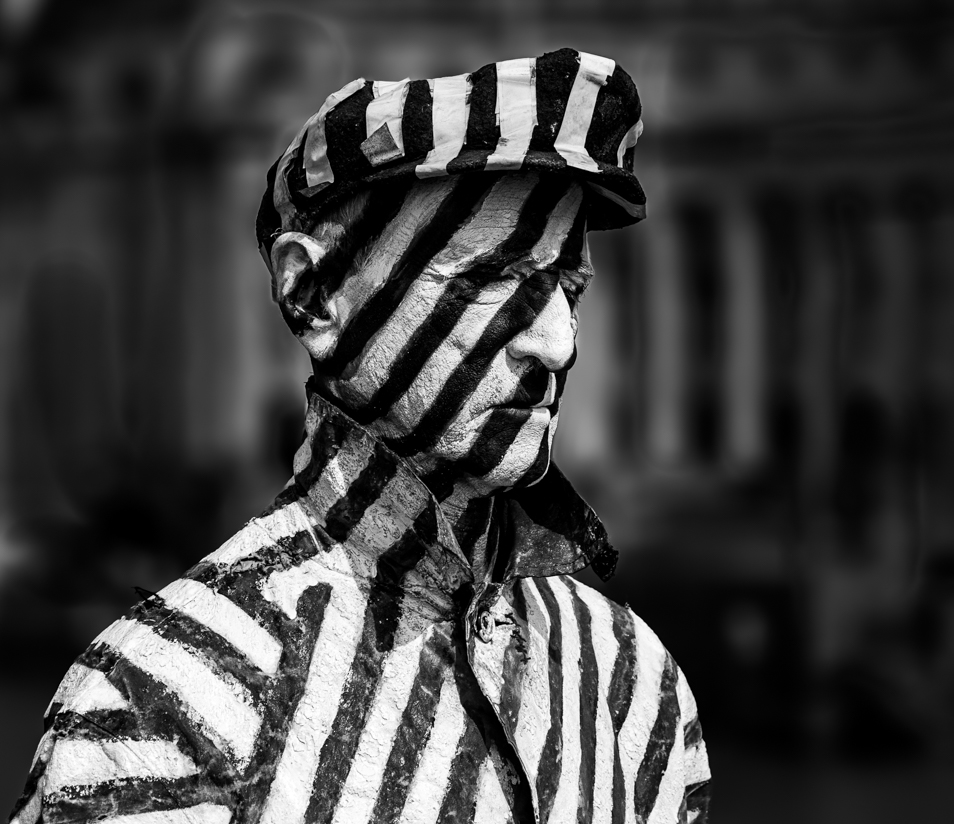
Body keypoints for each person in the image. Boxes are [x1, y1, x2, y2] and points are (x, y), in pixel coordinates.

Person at [9, 48, 710, 824]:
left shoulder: (632, 687)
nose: (556, 342)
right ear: (311, 293)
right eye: (486, 279)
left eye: (567, 287)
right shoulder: (162, 712)